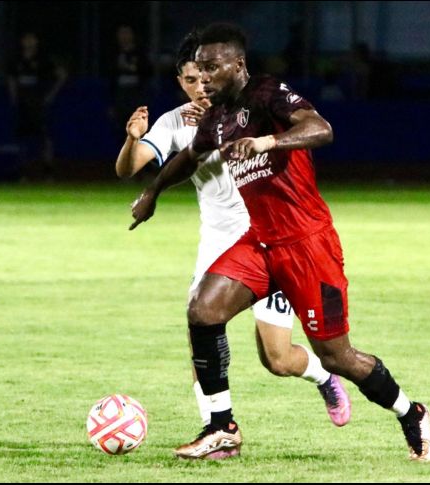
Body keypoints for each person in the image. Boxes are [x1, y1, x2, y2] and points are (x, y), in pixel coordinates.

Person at [129, 23, 430, 462]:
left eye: (213, 68)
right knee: (202, 309)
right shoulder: (216, 117)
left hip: (308, 245)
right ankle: (222, 428)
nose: (206, 79)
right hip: (259, 243)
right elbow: (189, 157)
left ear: (238, 65)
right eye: (200, 70)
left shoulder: (267, 93)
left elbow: (321, 127)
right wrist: (153, 193)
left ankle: (411, 411)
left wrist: (268, 141)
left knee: (337, 357)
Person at [117, 30, 351, 451]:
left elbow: (302, 131)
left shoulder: (250, 107)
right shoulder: (175, 122)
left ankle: (322, 375)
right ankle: (217, 427)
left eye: (206, 73)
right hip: (216, 243)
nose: (200, 85)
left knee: (277, 360)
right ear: (181, 82)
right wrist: (135, 139)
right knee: (199, 324)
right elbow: (131, 167)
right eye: (191, 78)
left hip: (267, 237)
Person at [6, 32, 67, 181]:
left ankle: (48, 172)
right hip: (23, 106)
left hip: (38, 105)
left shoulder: (43, 60)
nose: (29, 42)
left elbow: (62, 75)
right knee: (22, 139)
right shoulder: (17, 60)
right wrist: (14, 98)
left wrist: (50, 95)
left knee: (45, 139)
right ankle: (22, 173)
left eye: (32, 39)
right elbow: (11, 79)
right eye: (26, 39)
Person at [109, 25, 152, 145]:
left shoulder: (140, 53)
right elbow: (111, 78)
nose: (124, 37)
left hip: (136, 95)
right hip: (121, 95)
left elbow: (146, 71)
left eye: (127, 33)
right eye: (121, 33)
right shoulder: (115, 53)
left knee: (138, 127)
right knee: (122, 128)